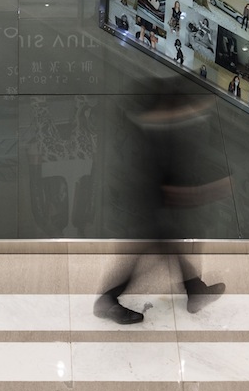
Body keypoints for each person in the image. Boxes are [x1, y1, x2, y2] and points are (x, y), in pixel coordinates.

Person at [95, 79, 228, 324]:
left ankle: (194, 290)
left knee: (168, 242)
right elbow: (158, 171)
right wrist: (193, 193)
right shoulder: (152, 129)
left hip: (152, 203)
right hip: (148, 205)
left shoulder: (156, 124)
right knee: (149, 247)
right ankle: (106, 300)